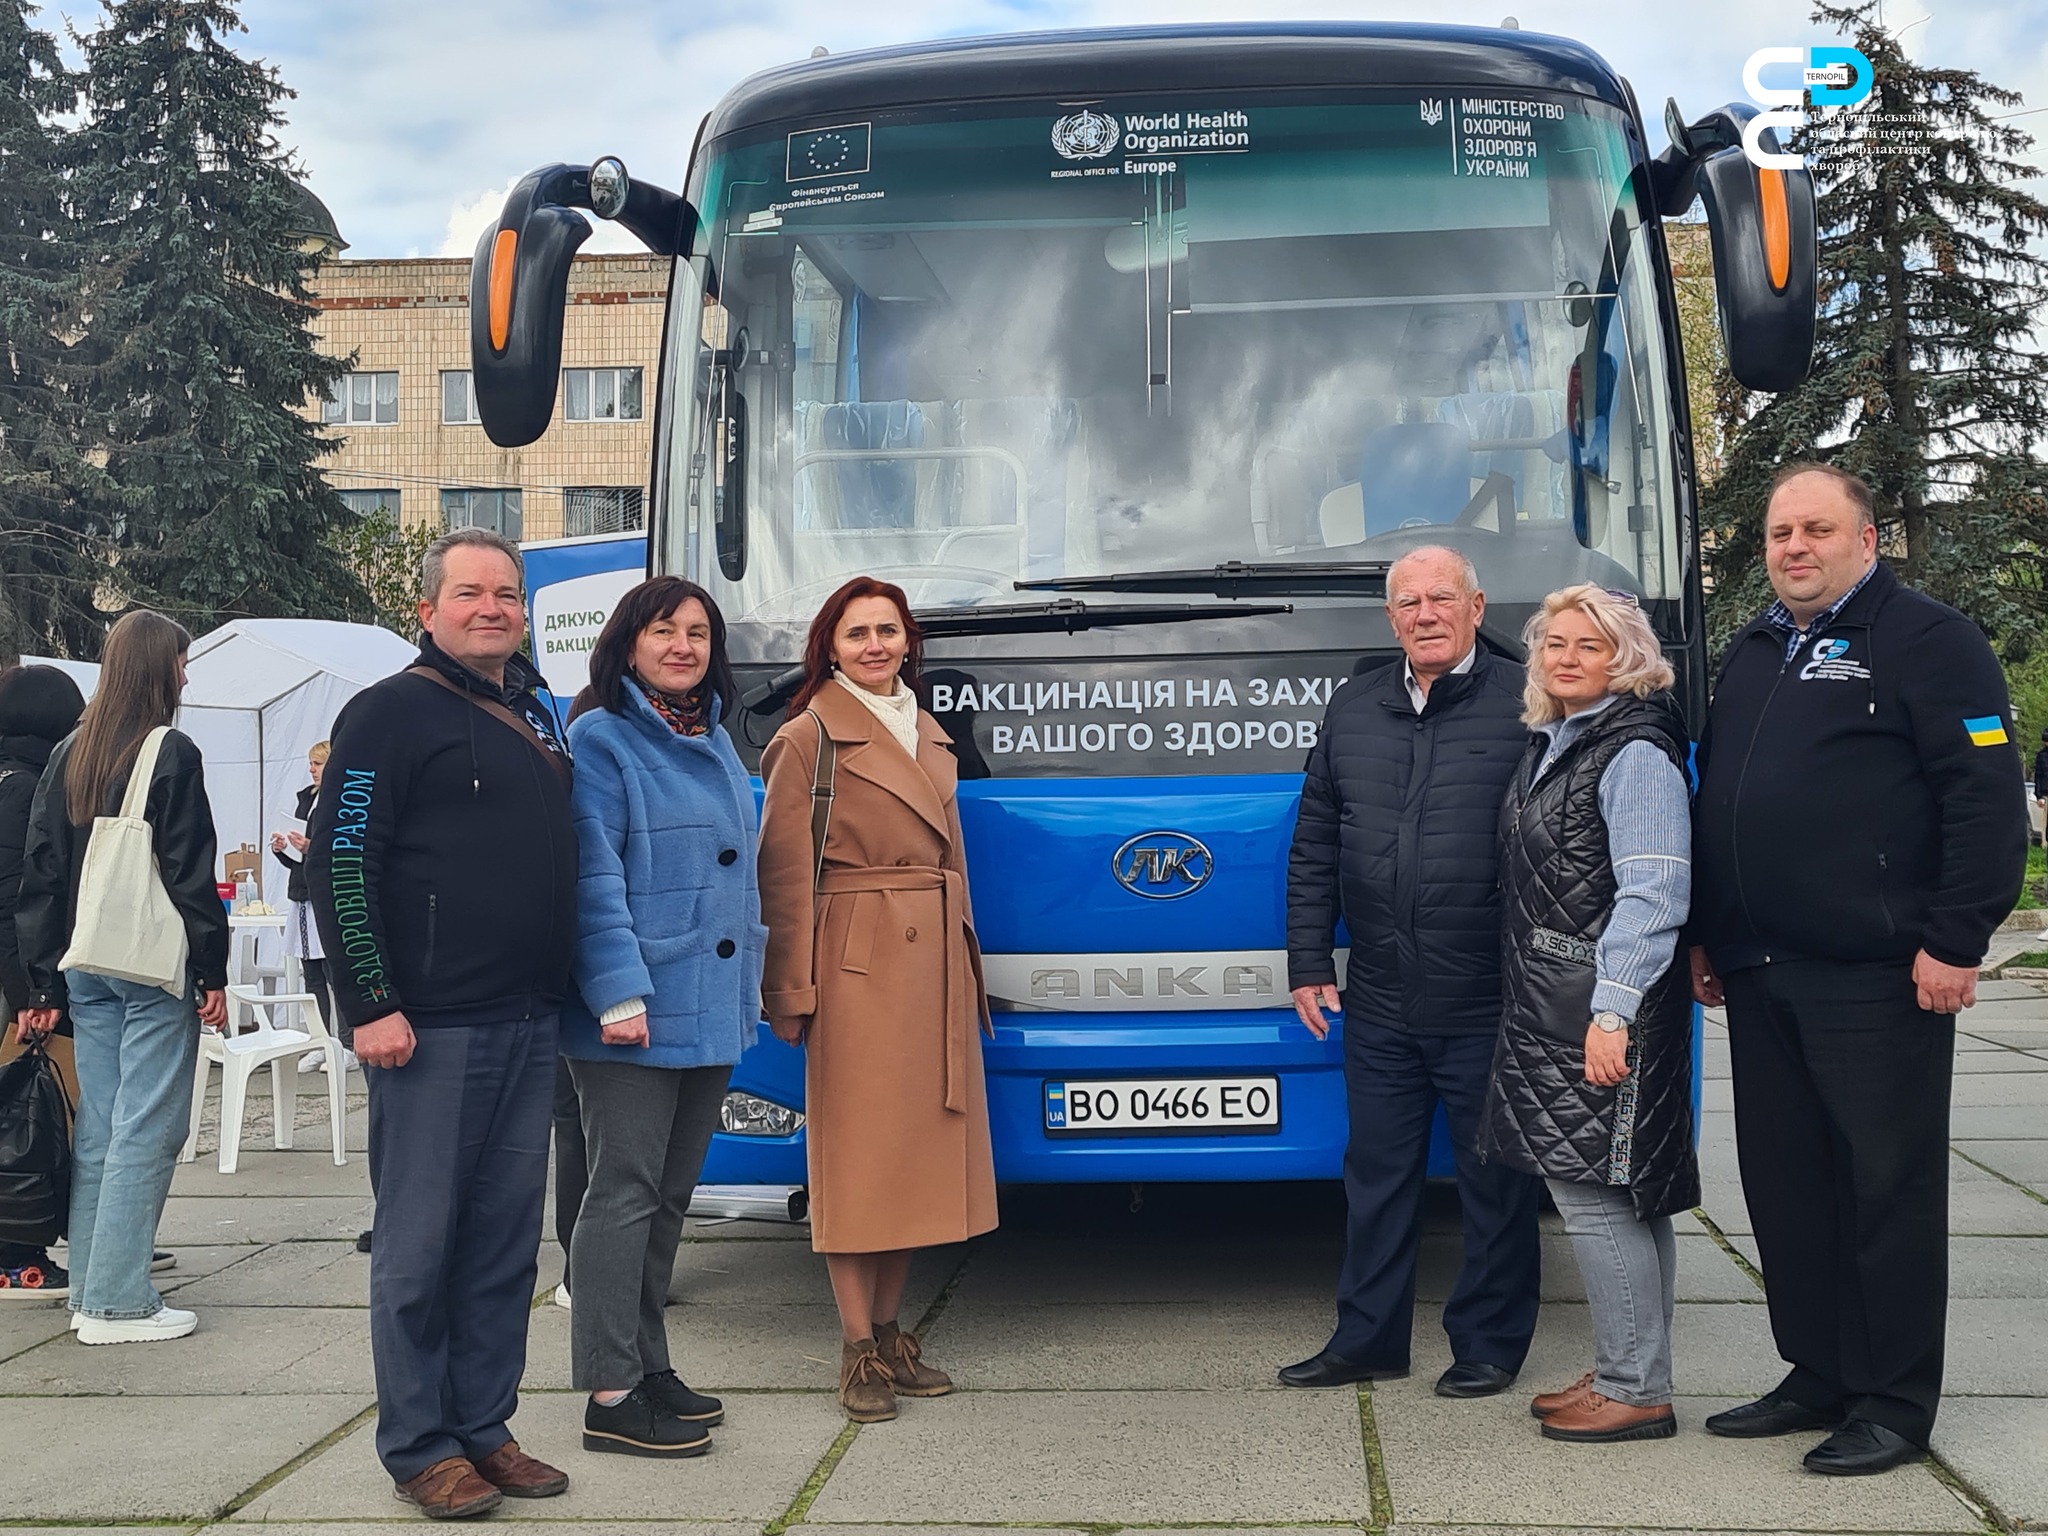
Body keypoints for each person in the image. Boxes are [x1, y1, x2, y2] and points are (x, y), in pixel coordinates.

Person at [1689, 463, 2027, 1475]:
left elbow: (1980, 793)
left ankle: (1890, 1398)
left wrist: (1957, 936)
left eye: (1814, 530)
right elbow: (1724, 801)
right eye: (1777, 533)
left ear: (1864, 542)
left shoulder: (1926, 640)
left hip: (1878, 973)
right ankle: (1819, 1372)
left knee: (1884, 1187)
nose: (1792, 547)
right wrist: (1707, 931)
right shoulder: (1752, 648)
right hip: (1756, 965)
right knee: (1788, 1188)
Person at [306, 528, 577, 1518]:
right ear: (427, 611)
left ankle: (483, 1426)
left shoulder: (535, 715)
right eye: (469, 594)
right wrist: (370, 1001)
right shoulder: (386, 714)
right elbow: (341, 865)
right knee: (419, 1249)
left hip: (526, 1020)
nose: (493, 608)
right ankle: (419, 1443)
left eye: (506, 593)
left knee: (504, 1246)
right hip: (430, 1029)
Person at [1282, 545, 1542, 1397]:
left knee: (1493, 1183)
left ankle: (1490, 1344)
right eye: (1407, 603)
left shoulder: (1528, 701)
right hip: (1384, 994)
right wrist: (1310, 958)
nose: (1424, 614)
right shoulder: (1353, 704)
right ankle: (1368, 1340)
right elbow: (1316, 839)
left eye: (1441, 599)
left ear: (1476, 606)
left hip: (1489, 993)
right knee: (1378, 1176)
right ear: (1389, 619)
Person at [756, 576, 997, 1423]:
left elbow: (952, 857)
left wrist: (964, 964)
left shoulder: (928, 731)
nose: (875, 645)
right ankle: (857, 1346)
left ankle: (892, 1333)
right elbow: (783, 874)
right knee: (858, 1162)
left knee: (914, 1157)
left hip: (931, 956)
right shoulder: (809, 735)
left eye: (887, 631)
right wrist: (789, 990)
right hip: (857, 961)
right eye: (857, 633)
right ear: (829, 645)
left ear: (908, 642)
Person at [1478, 585, 1699, 1443]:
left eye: (1589, 645)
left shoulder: (1632, 750)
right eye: (1555, 644)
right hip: (1555, 998)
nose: (1566, 657)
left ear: (1627, 658)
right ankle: (1630, 1368)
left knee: (1597, 1196)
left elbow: (1654, 890)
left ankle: (1635, 1387)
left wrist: (1612, 1012)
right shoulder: (1560, 742)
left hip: (1594, 1005)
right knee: (1626, 1192)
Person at [559, 578, 765, 1458]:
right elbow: (590, 876)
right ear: (628, 643)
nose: (683, 646)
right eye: (664, 631)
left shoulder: (711, 734)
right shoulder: (602, 738)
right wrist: (616, 992)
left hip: (708, 1003)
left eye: (697, 633)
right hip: (636, 1009)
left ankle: (649, 1362)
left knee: (669, 1198)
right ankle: (610, 1391)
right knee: (622, 1194)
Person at [15, 613, 229, 1342]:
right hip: (148, 962)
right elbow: (189, 873)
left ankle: (94, 1287)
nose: (186, 675)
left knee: (104, 1126)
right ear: (157, 670)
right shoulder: (169, 749)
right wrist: (212, 968)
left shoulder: (72, 749)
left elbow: (42, 874)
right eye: (181, 662)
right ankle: (117, 1301)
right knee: (150, 1125)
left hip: (86, 965)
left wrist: (42, 984)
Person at [0, 665, 88, 1300]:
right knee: (28, 1115)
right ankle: (16, 1254)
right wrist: (31, 995)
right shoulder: (22, 787)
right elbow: (14, 899)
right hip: (15, 984)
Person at [271, 741, 357, 1076]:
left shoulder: (340, 800)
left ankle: (348, 1044)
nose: (312, 769)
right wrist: (284, 849)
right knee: (313, 975)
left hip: (327, 893)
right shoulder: (306, 799)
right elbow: (300, 854)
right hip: (302, 891)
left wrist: (312, 847)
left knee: (336, 973)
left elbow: (342, 846)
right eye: (310, 763)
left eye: (317, 763)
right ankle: (319, 1042)